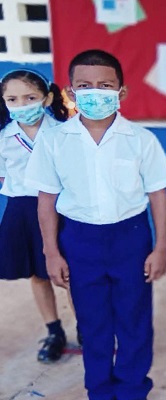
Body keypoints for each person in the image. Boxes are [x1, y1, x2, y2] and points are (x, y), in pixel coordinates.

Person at [24, 49, 166, 400]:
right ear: (71, 92)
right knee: (93, 324)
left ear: (121, 92)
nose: (96, 93)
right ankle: (100, 391)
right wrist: (51, 252)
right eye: (85, 86)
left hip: (131, 238)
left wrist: (161, 246)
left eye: (105, 85)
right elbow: (46, 200)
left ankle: (132, 390)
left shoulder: (141, 140)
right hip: (79, 240)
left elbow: (158, 195)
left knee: (134, 321)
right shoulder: (53, 141)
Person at [0, 69, 72, 363]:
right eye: (12, 99)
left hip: (62, 208)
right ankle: (54, 331)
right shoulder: (4, 137)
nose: (22, 105)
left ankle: (88, 330)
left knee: (70, 274)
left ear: (47, 98)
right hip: (21, 209)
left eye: (30, 97)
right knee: (38, 275)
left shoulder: (65, 132)